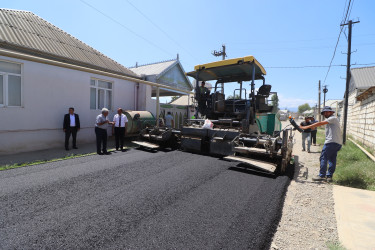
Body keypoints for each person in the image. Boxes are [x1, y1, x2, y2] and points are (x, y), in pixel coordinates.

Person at [299, 106, 342, 182]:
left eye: (327, 112)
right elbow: (318, 124)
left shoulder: (333, 118)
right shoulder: (331, 120)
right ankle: (329, 177)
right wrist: (311, 126)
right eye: (324, 112)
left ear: (331, 112)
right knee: (332, 159)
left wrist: (306, 127)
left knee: (323, 157)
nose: (325, 113)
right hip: (337, 143)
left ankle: (322, 175)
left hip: (331, 142)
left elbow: (320, 123)